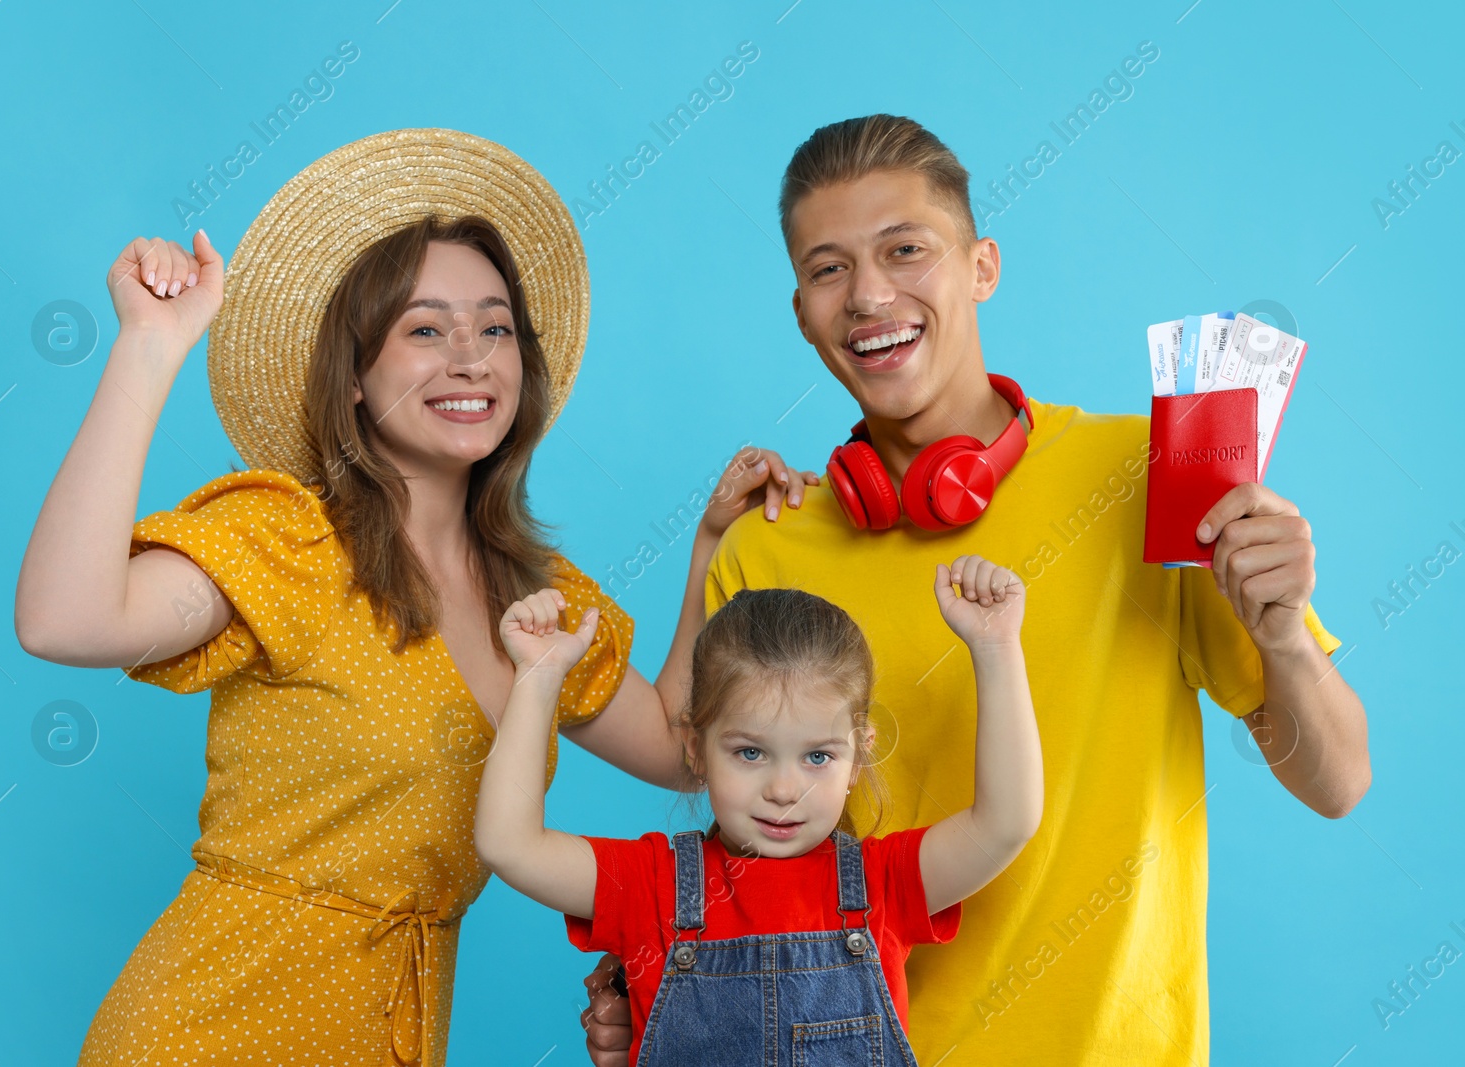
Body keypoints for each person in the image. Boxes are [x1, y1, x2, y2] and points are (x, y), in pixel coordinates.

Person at [13, 129, 818, 1067]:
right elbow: (64, 620)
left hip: (395, 1033)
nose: (471, 357)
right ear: (354, 377)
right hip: (213, 1026)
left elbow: (686, 751)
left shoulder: (539, 599)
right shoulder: (292, 544)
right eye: (425, 329)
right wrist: (149, 349)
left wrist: (709, 544)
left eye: (496, 327)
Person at [579, 114, 1370, 1065]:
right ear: (801, 312)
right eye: (829, 268)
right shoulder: (768, 544)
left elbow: (1338, 783)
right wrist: (667, 987)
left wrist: (1283, 639)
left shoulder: (1152, 480)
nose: (871, 294)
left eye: (906, 250)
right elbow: (746, 844)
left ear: (983, 265)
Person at [478, 554, 1041, 1066]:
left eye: (818, 756)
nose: (784, 788)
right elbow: (510, 844)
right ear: (696, 749)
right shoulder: (652, 884)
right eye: (750, 752)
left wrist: (996, 649)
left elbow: (1007, 821)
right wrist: (539, 677)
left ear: (858, 756)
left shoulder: (884, 883)